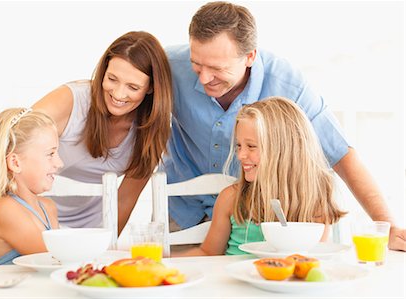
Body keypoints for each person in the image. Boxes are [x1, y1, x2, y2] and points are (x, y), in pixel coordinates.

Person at [163, 1, 405, 251]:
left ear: (250, 57)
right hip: (184, 211)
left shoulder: (289, 85)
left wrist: (386, 226)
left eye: (216, 68)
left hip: (258, 221)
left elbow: (341, 155)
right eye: (197, 64)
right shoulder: (168, 65)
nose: (203, 78)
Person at [0, 31, 173, 232]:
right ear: (103, 72)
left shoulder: (151, 131)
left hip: (91, 232)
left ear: (150, 88)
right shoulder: (71, 101)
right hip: (35, 221)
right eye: (112, 79)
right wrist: (17, 207)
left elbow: (124, 201)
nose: (118, 94)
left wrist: (103, 248)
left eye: (133, 87)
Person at [175, 97, 347, 256]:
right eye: (239, 146)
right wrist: (162, 260)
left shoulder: (316, 202)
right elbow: (207, 254)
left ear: (284, 151)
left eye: (251, 146)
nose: (241, 155)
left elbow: (311, 261)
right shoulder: (230, 198)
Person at [0, 108, 63, 266]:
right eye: (50, 154)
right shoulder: (4, 210)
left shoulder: (48, 207)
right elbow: (57, 261)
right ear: (15, 163)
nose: (60, 163)